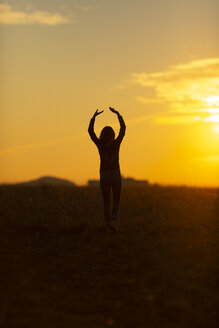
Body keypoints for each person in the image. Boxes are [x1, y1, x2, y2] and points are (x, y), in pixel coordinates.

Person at [88, 107, 126, 231]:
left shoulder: (100, 145)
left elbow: (91, 132)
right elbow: (123, 130)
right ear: (113, 135)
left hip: (104, 175)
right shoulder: (116, 144)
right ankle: (114, 220)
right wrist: (118, 115)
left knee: (106, 201)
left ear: (102, 135)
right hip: (115, 175)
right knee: (116, 200)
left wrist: (94, 118)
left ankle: (108, 223)